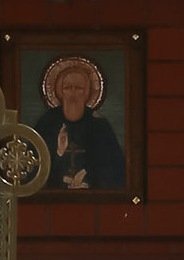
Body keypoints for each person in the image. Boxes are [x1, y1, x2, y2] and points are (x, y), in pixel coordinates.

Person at [36, 56, 127, 195]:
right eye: (67, 88)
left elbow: (114, 170)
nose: (73, 93)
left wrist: (86, 176)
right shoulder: (47, 122)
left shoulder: (100, 125)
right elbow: (33, 169)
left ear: (86, 92)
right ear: (60, 92)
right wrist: (58, 153)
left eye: (78, 88)